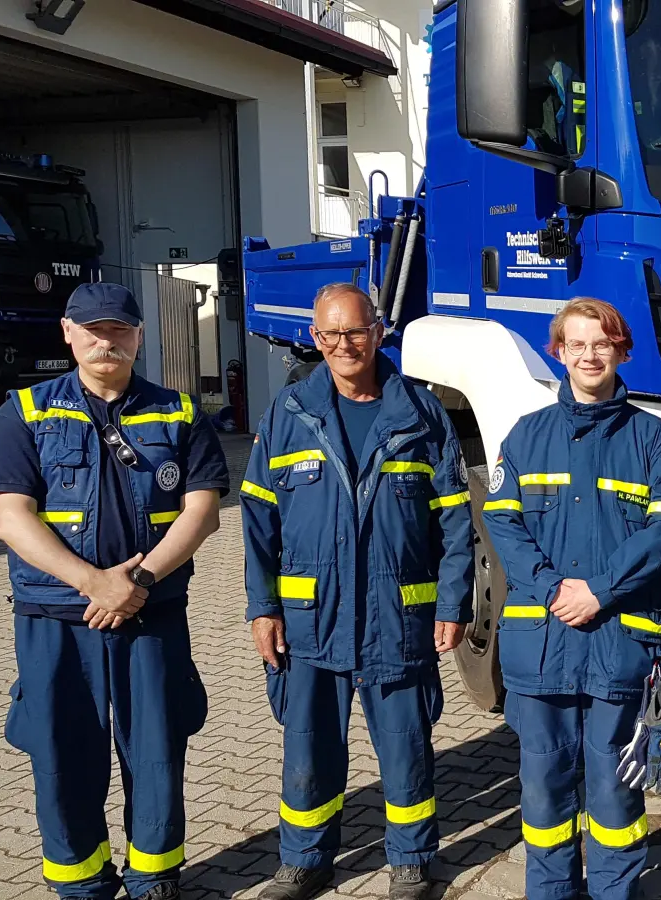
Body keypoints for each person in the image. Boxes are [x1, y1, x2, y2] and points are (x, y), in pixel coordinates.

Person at [0, 282, 228, 900]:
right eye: (91, 329)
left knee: (157, 753)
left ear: (139, 336)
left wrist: (137, 581)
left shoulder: (180, 412)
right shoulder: (23, 412)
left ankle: (155, 878)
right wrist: (94, 583)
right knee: (62, 753)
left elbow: (204, 511)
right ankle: (81, 882)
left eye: (118, 329)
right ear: (68, 333)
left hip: (152, 613)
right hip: (57, 620)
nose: (104, 340)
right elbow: (9, 517)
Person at [241, 283, 474, 900]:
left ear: (379, 331)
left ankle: (411, 862)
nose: (345, 345)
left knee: (405, 748)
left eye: (357, 331)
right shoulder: (288, 414)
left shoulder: (420, 413)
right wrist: (262, 607)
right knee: (308, 746)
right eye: (332, 334)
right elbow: (258, 522)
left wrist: (452, 604)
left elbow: (454, 520)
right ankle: (305, 861)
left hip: (397, 617)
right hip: (310, 621)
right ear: (315, 339)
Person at [482, 297, 661, 900]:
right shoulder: (526, 435)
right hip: (542, 649)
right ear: (560, 353)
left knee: (614, 790)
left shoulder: (654, 437)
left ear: (621, 350)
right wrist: (553, 589)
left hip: (617, 645)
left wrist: (600, 590)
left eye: (602, 344)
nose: (590, 355)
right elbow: (504, 525)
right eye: (577, 344)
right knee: (544, 790)